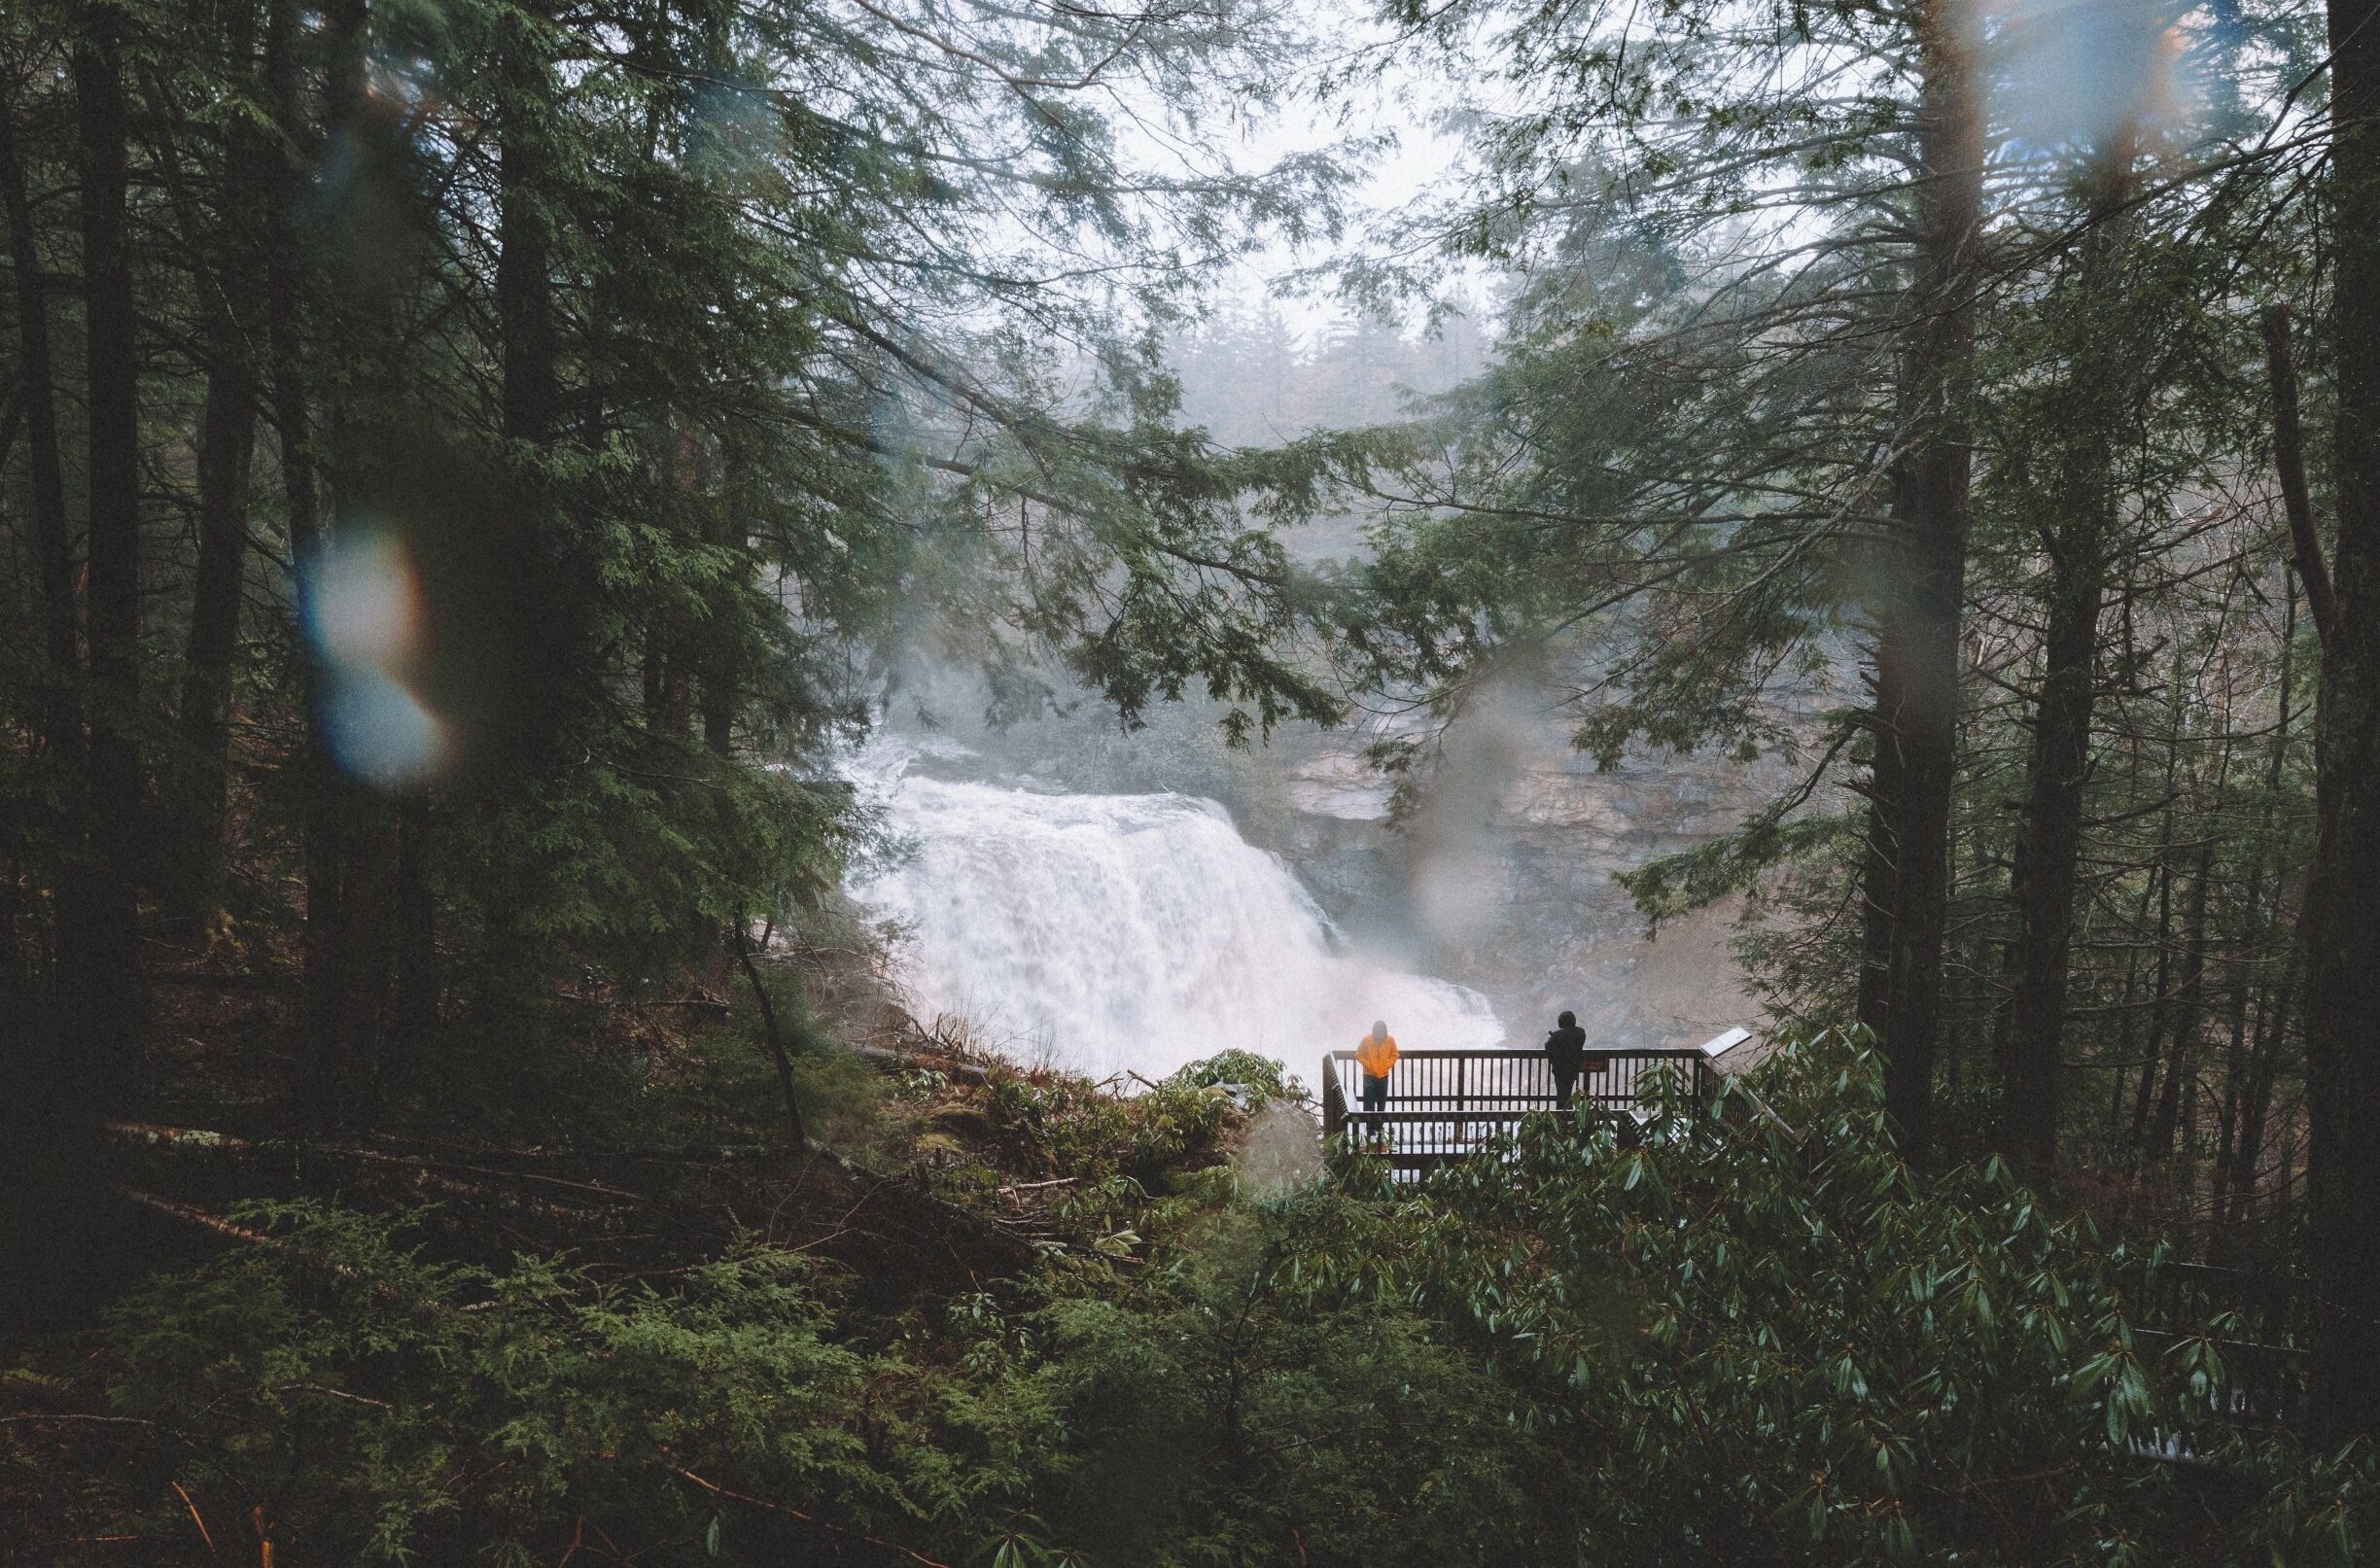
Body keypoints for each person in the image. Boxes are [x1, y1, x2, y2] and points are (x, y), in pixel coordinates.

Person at [1354, 1021, 1399, 1135]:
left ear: (1385, 1033)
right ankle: (1370, 1131)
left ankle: (1379, 1129)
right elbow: (1358, 1054)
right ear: (1374, 1033)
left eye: (1382, 1035)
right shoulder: (1366, 1040)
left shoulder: (1390, 1040)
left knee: (1381, 1103)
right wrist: (1368, 1065)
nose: (1380, 1037)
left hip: (1383, 1076)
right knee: (1369, 1104)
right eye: (1378, 1035)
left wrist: (1387, 1065)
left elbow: (1395, 1054)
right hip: (1369, 1076)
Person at [1545, 1009, 1589, 1109]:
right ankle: (1568, 1112)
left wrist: (1550, 1037)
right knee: (1568, 1092)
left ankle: (1563, 1114)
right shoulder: (1580, 1032)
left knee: (1561, 1093)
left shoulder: (1557, 1035)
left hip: (1560, 1068)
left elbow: (1548, 1047)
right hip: (1574, 1067)